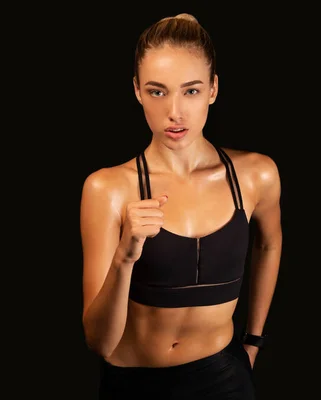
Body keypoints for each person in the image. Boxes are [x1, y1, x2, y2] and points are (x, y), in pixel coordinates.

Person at [80, 12, 282, 400]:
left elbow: (268, 245)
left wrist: (252, 342)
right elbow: (99, 343)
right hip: (134, 384)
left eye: (190, 91)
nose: (175, 111)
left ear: (213, 89)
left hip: (224, 378)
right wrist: (125, 256)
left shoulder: (257, 175)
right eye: (158, 91)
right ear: (138, 90)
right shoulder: (108, 188)